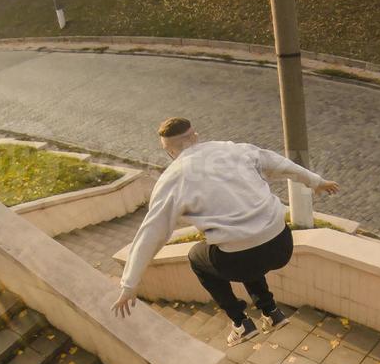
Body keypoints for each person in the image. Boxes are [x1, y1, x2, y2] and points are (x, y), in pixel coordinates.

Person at [111, 117, 339, 346]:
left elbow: (152, 232)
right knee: (240, 243)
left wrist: (129, 285)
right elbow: (280, 163)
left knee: (197, 257)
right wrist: (315, 181)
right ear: (196, 136)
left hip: (238, 261)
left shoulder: (172, 178)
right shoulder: (234, 150)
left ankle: (240, 323)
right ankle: (271, 312)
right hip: (281, 244)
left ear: (168, 150)